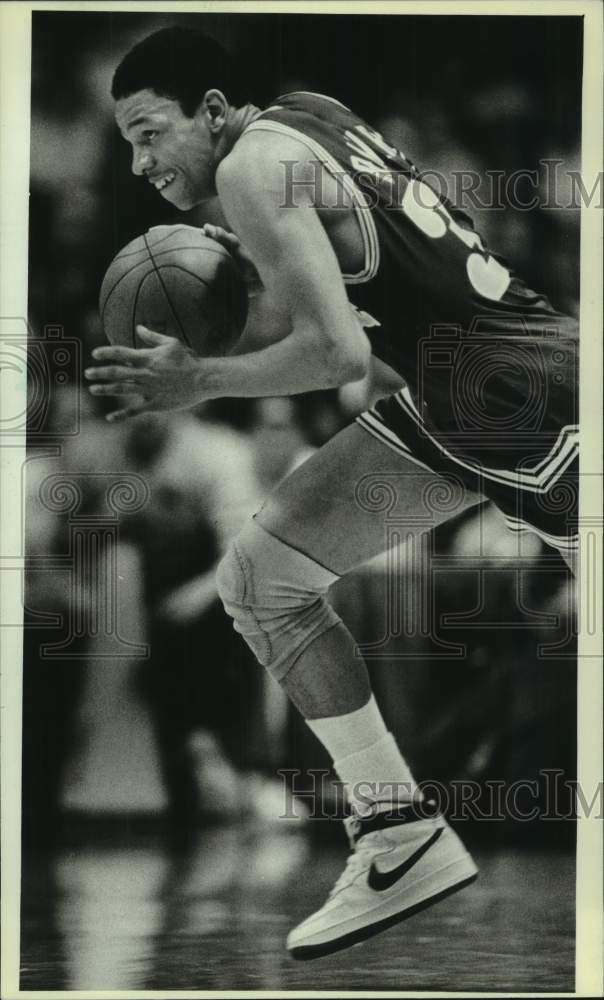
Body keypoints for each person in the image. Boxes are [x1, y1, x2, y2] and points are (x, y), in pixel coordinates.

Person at [85, 27, 578, 959]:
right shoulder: (311, 119)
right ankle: (398, 834)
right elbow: (366, 284)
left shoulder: (248, 172)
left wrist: (199, 381)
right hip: (465, 392)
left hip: (525, 396)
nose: (140, 163)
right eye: (126, 143)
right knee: (262, 579)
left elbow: (336, 355)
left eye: (151, 133)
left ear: (216, 113)